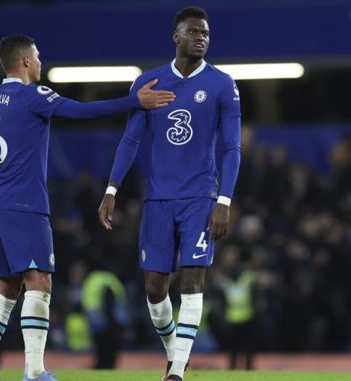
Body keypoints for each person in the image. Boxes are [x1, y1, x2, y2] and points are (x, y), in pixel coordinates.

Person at [0, 34, 175, 381]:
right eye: (38, 56)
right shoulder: (33, 96)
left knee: (6, 287)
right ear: (25, 61)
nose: (42, 62)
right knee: (39, 282)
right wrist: (134, 102)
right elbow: (82, 111)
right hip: (25, 205)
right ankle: (35, 372)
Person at [97, 6, 241, 381]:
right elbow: (130, 140)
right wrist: (111, 189)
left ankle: (175, 370)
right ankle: (176, 352)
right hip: (158, 199)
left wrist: (224, 200)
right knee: (154, 289)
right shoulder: (150, 83)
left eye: (206, 33)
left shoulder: (223, 83)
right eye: (193, 31)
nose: (201, 37)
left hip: (200, 197)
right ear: (175, 37)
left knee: (193, 282)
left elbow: (231, 148)